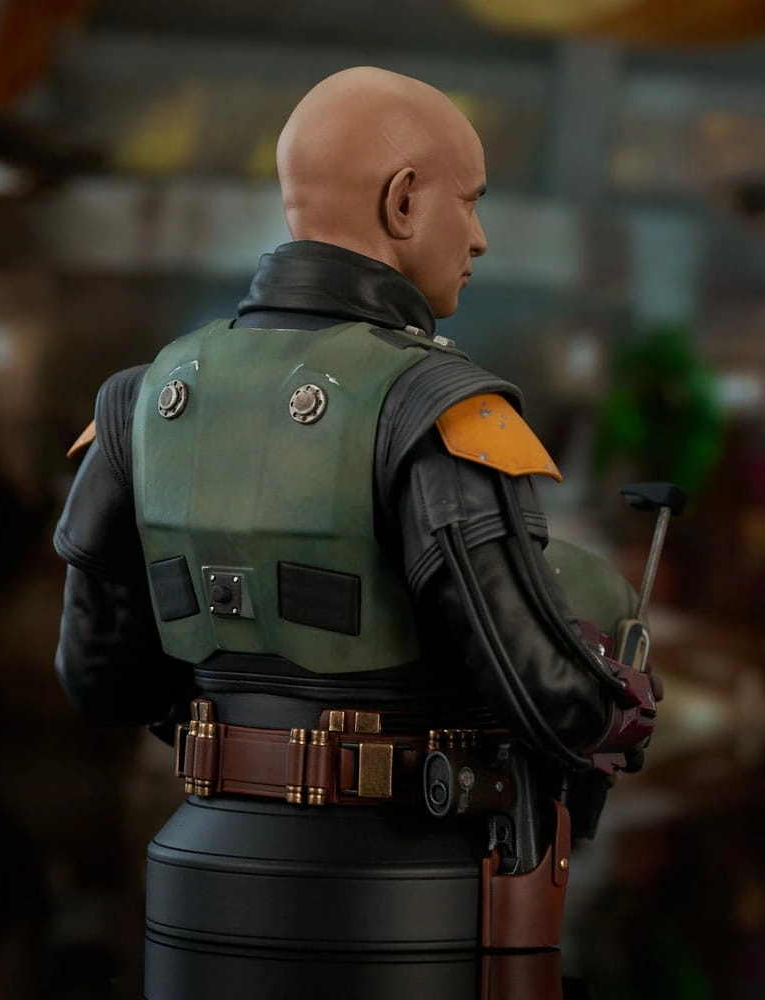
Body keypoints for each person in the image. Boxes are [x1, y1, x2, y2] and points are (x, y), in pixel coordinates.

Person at [53, 66, 660, 1000]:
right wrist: (626, 694)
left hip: (202, 876)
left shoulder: (138, 402)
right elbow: (548, 692)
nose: (480, 236)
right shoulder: (436, 408)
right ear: (404, 201)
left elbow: (98, 680)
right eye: (471, 200)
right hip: (403, 901)